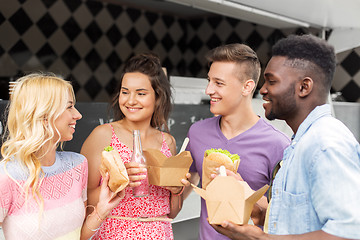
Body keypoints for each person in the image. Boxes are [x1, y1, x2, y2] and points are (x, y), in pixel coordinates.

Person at [211, 34, 360, 240]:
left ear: (304, 87)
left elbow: (349, 233)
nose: (262, 90)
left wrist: (259, 238)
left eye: (271, 81)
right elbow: (295, 221)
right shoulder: (300, 143)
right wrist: (250, 201)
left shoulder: (325, 144)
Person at [183, 43, 290, 240]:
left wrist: (247, 195)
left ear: (247, 86)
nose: (208, 90)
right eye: (209, 81)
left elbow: (285, 216)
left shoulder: (278, 144)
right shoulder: (197, 133)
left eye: (219, 83)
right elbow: (190, 177)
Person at [0, 73, 124, 240]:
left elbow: (79, 236)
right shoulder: (7, 176)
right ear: (44, 115)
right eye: (69, 107)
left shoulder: (77, 165)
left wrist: (101, 210)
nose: (78, 115)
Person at [81, 53, 184, 240]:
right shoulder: (103, 135)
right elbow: (82, 200)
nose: (130, 101)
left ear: (158, 97)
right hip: (113, 234)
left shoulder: (168, 142)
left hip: (160, 235)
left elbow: (173, 212)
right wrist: (116, 183)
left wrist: (177, 190)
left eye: (141, 94)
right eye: (125, 91)